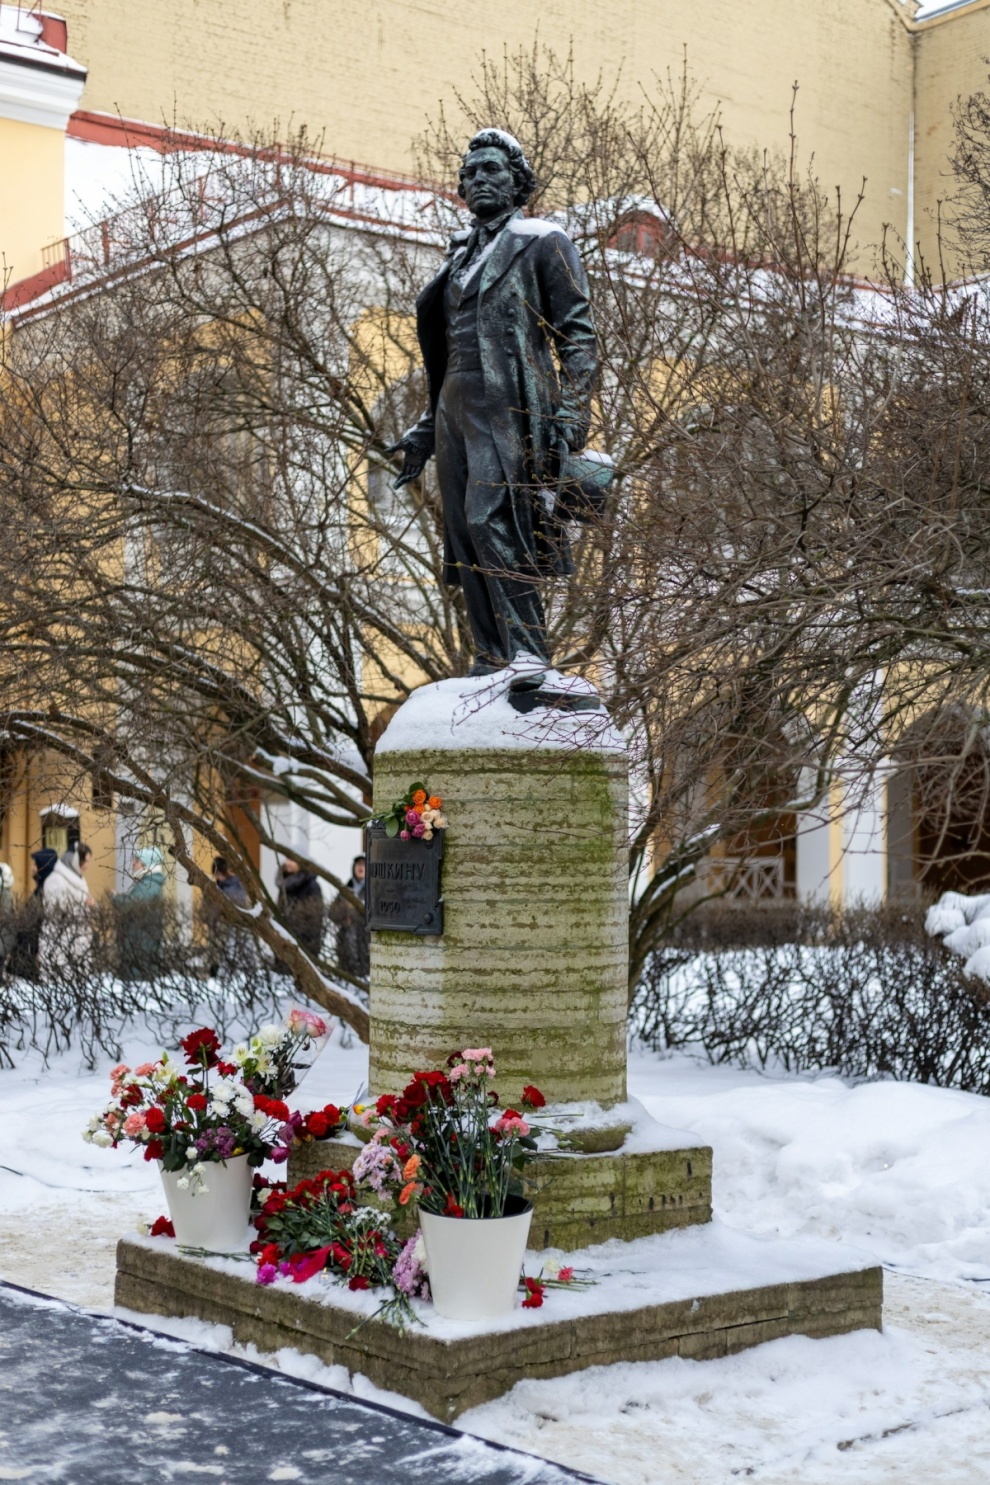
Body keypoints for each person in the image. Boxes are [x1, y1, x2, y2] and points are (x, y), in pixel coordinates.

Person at [388, 127, 598, 676]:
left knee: (493, 520)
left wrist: (572, 412)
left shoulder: (542, 241)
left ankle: (528, 655)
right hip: (455, 405)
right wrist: (424, 431)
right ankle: (490, 657)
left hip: (509, 405)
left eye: (492, 169)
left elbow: (578, 336)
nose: (479, 178)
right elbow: (447, 351)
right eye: (470, 172)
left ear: (517, 182)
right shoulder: (458, 255)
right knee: (463, 534)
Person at [38, 844, 96, 979]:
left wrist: (91, 905)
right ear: (75, 859)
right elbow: (54, 911)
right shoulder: (55, 879)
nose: (87, 865)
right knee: (59, 983)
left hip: (78, 942)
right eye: (85, 861)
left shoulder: (80, 880)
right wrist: (83, 905)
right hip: (59, 943)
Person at [114, 847, 166, 980]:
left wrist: (115, 898)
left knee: (138, 984)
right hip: (140, 944)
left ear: (146, 864)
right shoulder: (148, 884)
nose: (133, 864)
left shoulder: (149, 886)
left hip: (141, 947)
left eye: (137, 861)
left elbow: (131, 904)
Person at [9, 848, 57, 979]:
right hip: (27, 949)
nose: (32, 868)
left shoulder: (46, 889)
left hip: (32, 950)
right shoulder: (40, 888)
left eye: (35, 865)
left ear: (43, 866)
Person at [205, 854, 251, 975]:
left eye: (219, 873)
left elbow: (242, 903)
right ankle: (214, 972)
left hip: (234, 924)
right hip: (218, 924)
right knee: (216, 950)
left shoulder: (237, 885)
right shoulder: (216, 886)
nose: (218, 877)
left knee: (234, 951)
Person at [329, 855, 370, 979]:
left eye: (364, 865)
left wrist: (354, 912)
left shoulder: (373, 889)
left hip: (365, 940)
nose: (361, 867)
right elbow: (332, 913)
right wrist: (344, 916)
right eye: (358, 864)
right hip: (345, 941)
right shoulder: (346, 889)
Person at [277, 858, 324, 958]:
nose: (288, 863)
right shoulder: (285, 885)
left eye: (292, 859)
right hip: (283, 940)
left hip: (303, 944)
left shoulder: (311, 886)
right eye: (287, 859)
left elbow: (315, 920)